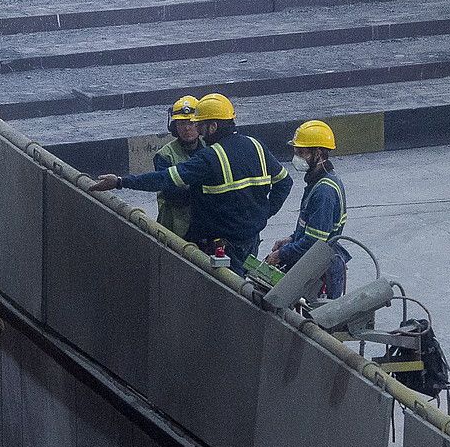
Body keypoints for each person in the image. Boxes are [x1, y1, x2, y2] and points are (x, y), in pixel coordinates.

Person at [90, 93, 292, 275]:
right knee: (244, 286)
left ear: (213, 126)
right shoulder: (257, 145)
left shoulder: (211, 156)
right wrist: (264, 212)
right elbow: (285, 182)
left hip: (225, 244)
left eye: (200, 126)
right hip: (251, 238)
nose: (198, 131)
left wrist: (120, 182)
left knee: (225, 291)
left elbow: (164, 179)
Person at [265, 120, 349, 299]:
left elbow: (314, 242)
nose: (297, 158)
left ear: (318, 153)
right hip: (317, 265)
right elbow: (309, 229)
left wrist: (281, 254)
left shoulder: (324, 191)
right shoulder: (317, 182)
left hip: (321, 272)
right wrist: (291, 239)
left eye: (301, 153)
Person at [153, 96, 203, 239]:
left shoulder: (210, 149)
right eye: (181, 123)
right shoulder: (164, 155)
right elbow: (172, 194)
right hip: (175, 225)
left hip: (205, 223)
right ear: (174, 127)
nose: (187, 128)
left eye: (191, 123)